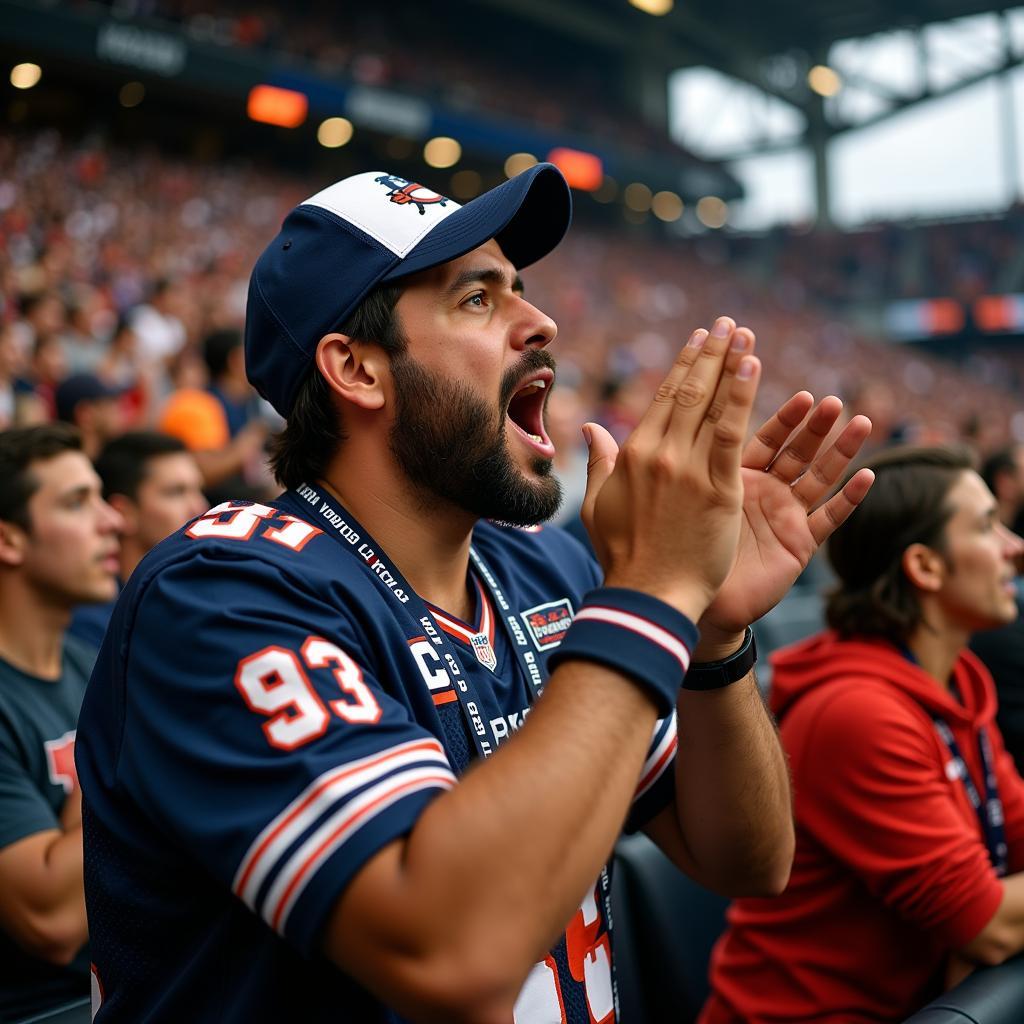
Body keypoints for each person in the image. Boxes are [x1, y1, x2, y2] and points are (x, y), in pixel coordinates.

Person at [76, 165, 872, 1022]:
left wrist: (710, 637)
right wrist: (654, 589)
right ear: (358, 369)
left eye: (521, 291)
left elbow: (749, 859)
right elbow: (447, 948)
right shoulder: (222, 596)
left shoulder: (546, 571)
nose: (543, 323)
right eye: (478, 300)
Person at [702, 446, 1024, 1024]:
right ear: (925, 567)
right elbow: (990, 925)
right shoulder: (858, 713)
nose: (1015, 547)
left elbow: (1018, 835)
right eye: (986, 526)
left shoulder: (959, 682)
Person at [0, 424, 122, 1021]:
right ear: (10, 539)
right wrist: (111, 756)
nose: (111, 522)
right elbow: (50, 921)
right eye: (77, 503)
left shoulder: (89, 665)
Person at [68, 431, 208, 650]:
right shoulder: (93, 625)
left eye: (199, 490)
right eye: (176, 492)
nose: (200, 507)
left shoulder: (198, 596)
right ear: (123, 512)